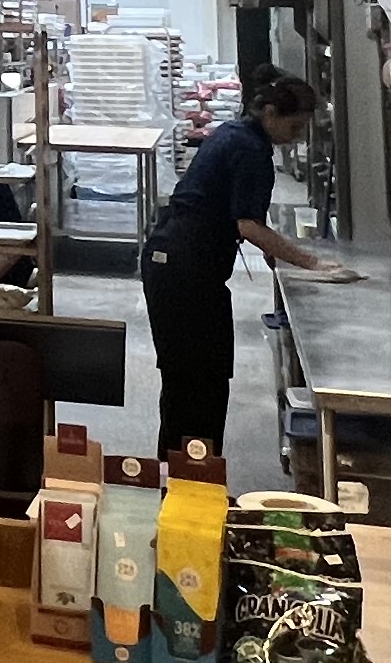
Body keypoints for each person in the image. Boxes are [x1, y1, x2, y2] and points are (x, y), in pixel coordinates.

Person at [138, 72, 325, 462]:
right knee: (196, 383)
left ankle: (188, 476)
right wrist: (311, 262)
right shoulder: (250, 151)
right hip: (184, 269)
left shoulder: (236, 134)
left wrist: (280, 254)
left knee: (190, 381)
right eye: (294, 126)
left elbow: (241, 215)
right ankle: (191, 479)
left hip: (177, 263)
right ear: (270, 113)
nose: (298, 135)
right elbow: (249, 225)